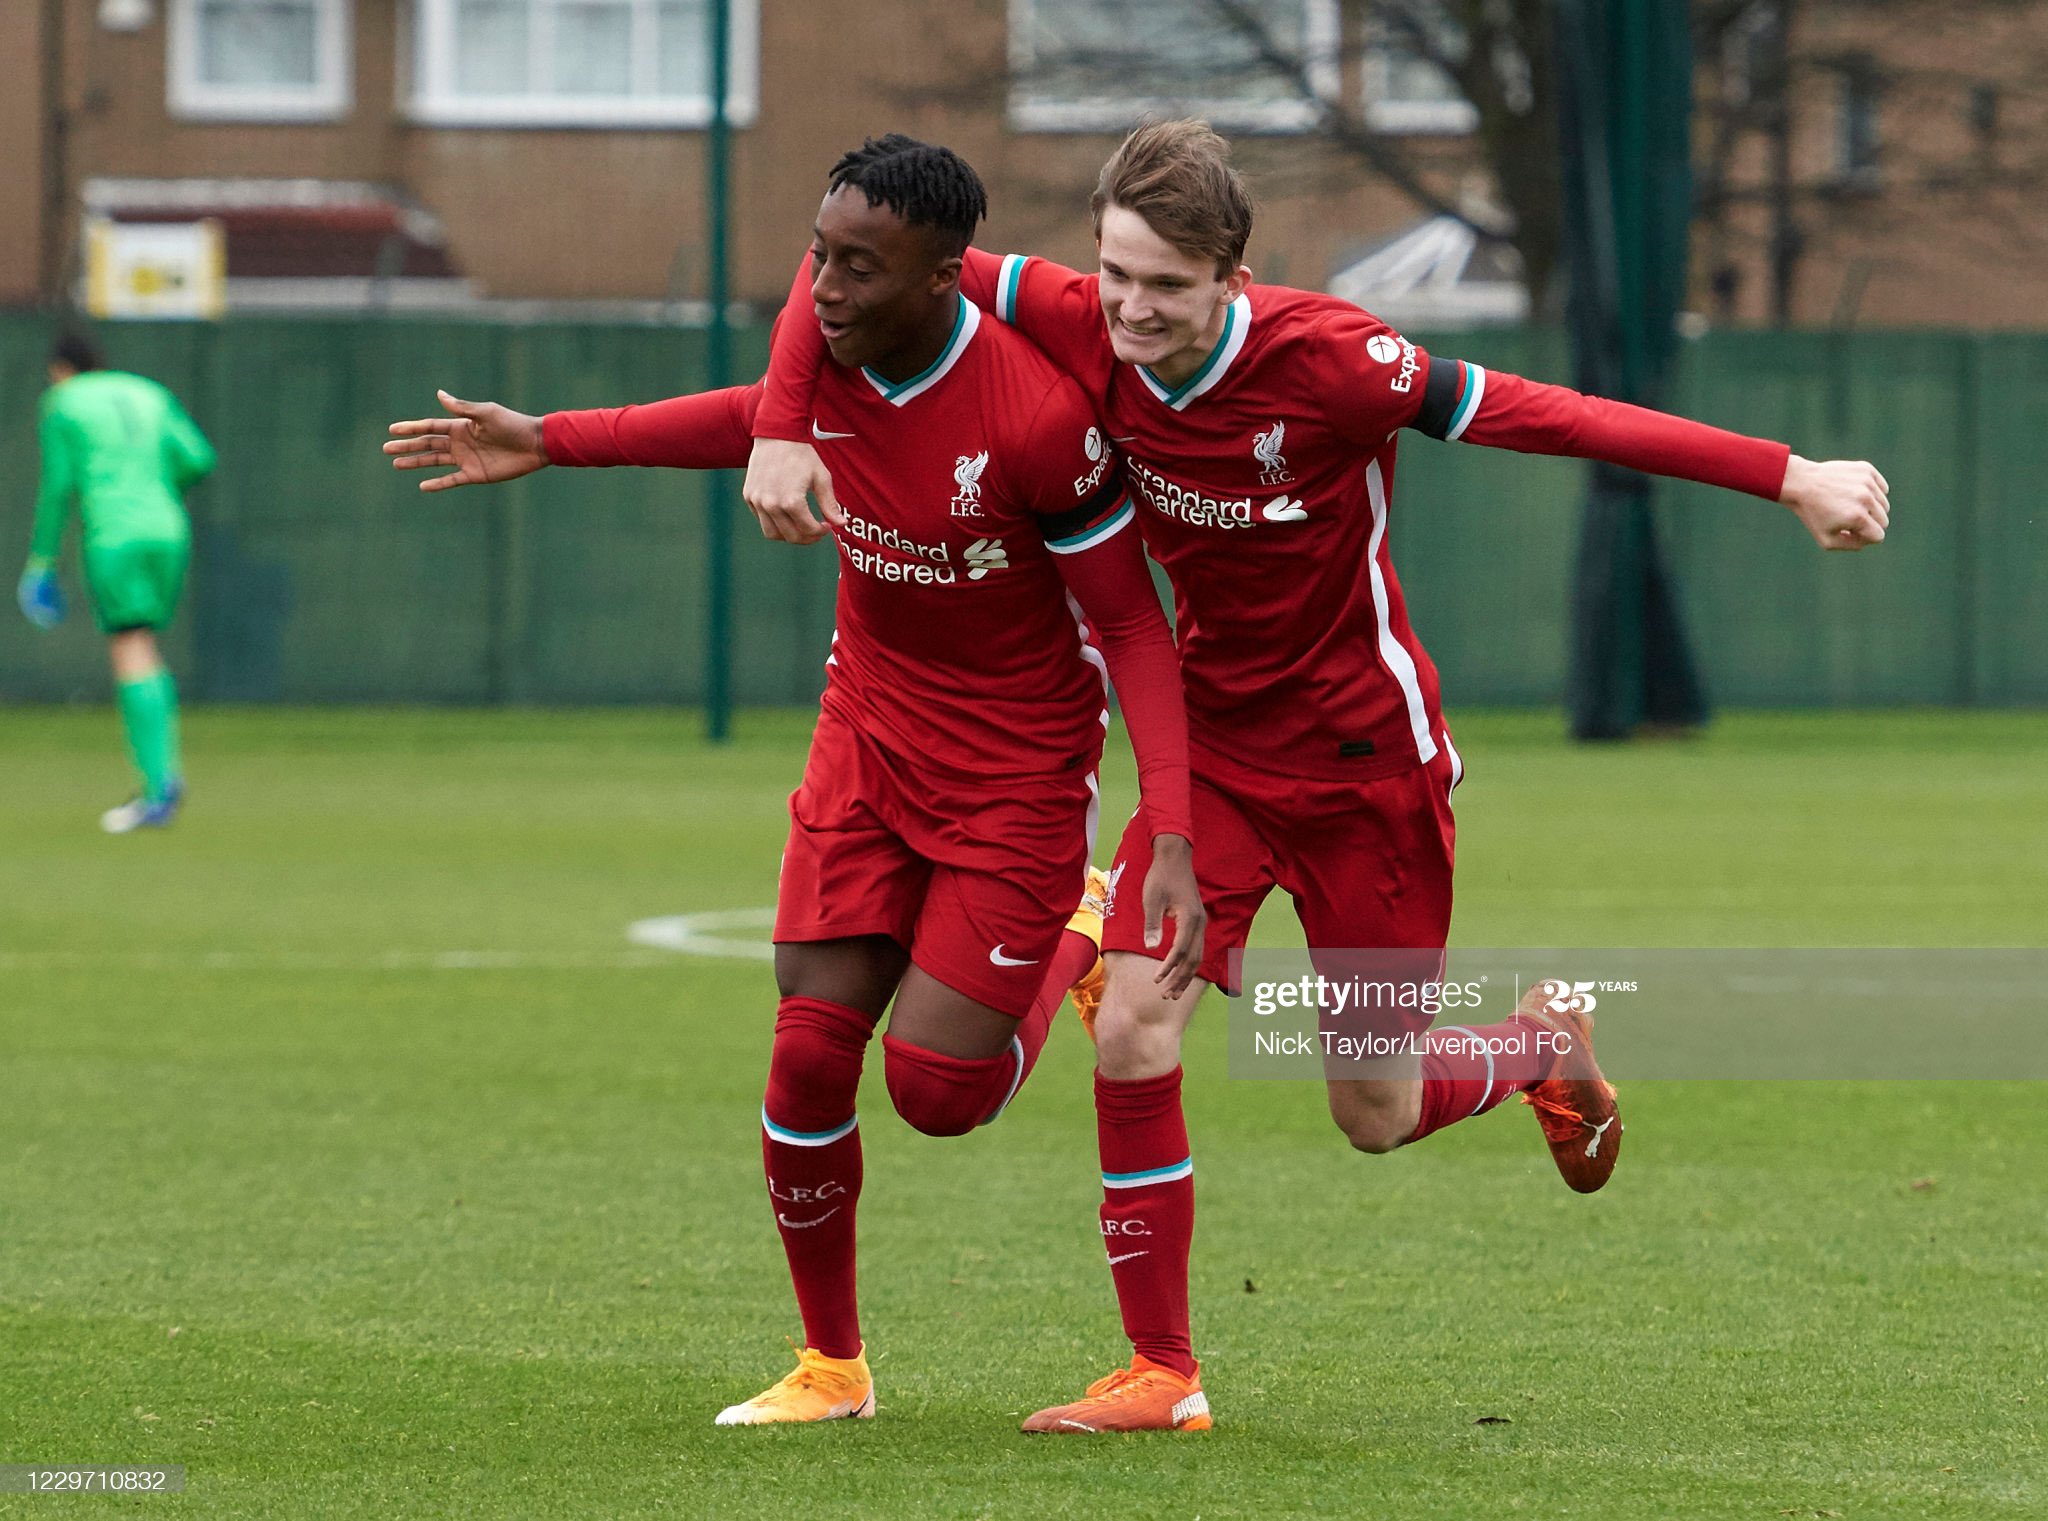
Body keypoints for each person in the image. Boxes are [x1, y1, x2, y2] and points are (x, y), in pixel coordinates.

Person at [743, 120, 1893, 1432]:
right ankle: (1162, 1372)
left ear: (1232, 276)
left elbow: (1551, 417)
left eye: (1166, 286)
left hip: (1367, 777)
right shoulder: (1067, 309)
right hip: (1218, 765)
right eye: (1115, 275)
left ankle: (1534, 1051)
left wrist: (1788, 474)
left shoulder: (1339, 364)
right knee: (1131, 1022)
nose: (1130, 308)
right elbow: (846, 266)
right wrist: (783, 424)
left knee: (1373, 1110)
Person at [382, 136, 1206, 1426]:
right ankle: (832, 1366)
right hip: (866, 744)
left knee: (936, 1096)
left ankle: (1078, 930)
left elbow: (1138, 629)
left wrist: (1172, 827)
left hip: (1017, 776)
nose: (821, 289)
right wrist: (549, 437)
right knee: (806, 1057)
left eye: (857, 267)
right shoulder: (820, 357)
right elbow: (725, 420)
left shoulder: (1037, 421)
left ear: (944, 279)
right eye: (818, 254)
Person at [18, 332, 215, 833]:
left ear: (61, 369)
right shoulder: (148, 391)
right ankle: (163, 776)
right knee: (145, 646)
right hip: (168, 529)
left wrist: (42, 562)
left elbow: (59, 485)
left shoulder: (62, 401)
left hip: (115, 533)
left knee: (130, 647)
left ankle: (158, 787)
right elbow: (197, 458)